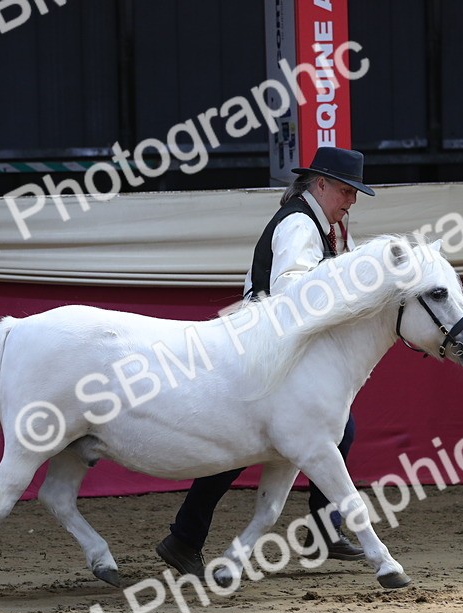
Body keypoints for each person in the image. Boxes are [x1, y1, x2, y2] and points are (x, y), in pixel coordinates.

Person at [156, 147, 376, 577]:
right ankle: (316, 528)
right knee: (260, 442)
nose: (351, 201)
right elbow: (291, 289)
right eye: (347, 192)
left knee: (327, 433)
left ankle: (191, 535)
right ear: (321, 184)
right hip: (268, 344)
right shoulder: (299, 224)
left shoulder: (321, 224)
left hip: (273, 342)